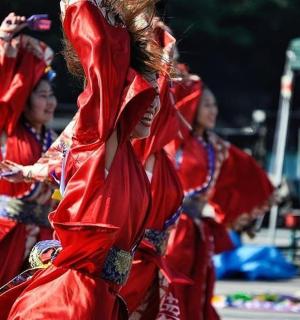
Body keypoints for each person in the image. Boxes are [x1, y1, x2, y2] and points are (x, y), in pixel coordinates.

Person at [0, 0, 165, 319]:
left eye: (157, 96)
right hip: (71, 298)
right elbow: (105, 71)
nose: (153, 104)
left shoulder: (127, 160)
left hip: (101, 298)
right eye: (145, 94)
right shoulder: (98, 142)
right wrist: (86, 9)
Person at [164, 67, 274, 320]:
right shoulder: (174, 143)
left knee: (200, 289)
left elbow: (246, 170)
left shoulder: (215, 146)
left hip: (199, 231)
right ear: (192, 106)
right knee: (173, 289)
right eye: (207, 106)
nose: (213, 111)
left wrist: (241, 213)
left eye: (214, 105)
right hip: (173, 231)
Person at [120, 20, 190, 320]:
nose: (156, 103)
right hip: (125, 272)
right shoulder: (124, 152)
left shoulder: (162, 159)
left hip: (153, 266)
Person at [0, 12, 57, 287]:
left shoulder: (55, 138)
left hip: (43, 239)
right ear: (25, 100)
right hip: (6, 235)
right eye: (42, 96)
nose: (50, 103)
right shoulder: (8, 129)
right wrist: (5, 41)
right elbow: (4, 93)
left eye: (52, 95)